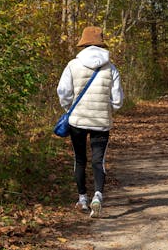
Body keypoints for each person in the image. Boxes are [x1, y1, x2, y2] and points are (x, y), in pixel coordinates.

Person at [57, 26, 124, 218]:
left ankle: (82, 199)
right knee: (98, 160)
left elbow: (63, 92)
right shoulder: (111, 68)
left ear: (83, 43)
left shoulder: (72, 65)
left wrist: (69, 108)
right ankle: (98, 196)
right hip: (101, 121)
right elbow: (118, 100)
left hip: (77, 120)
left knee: (80, 159)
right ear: (101, 44)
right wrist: (107, 109)